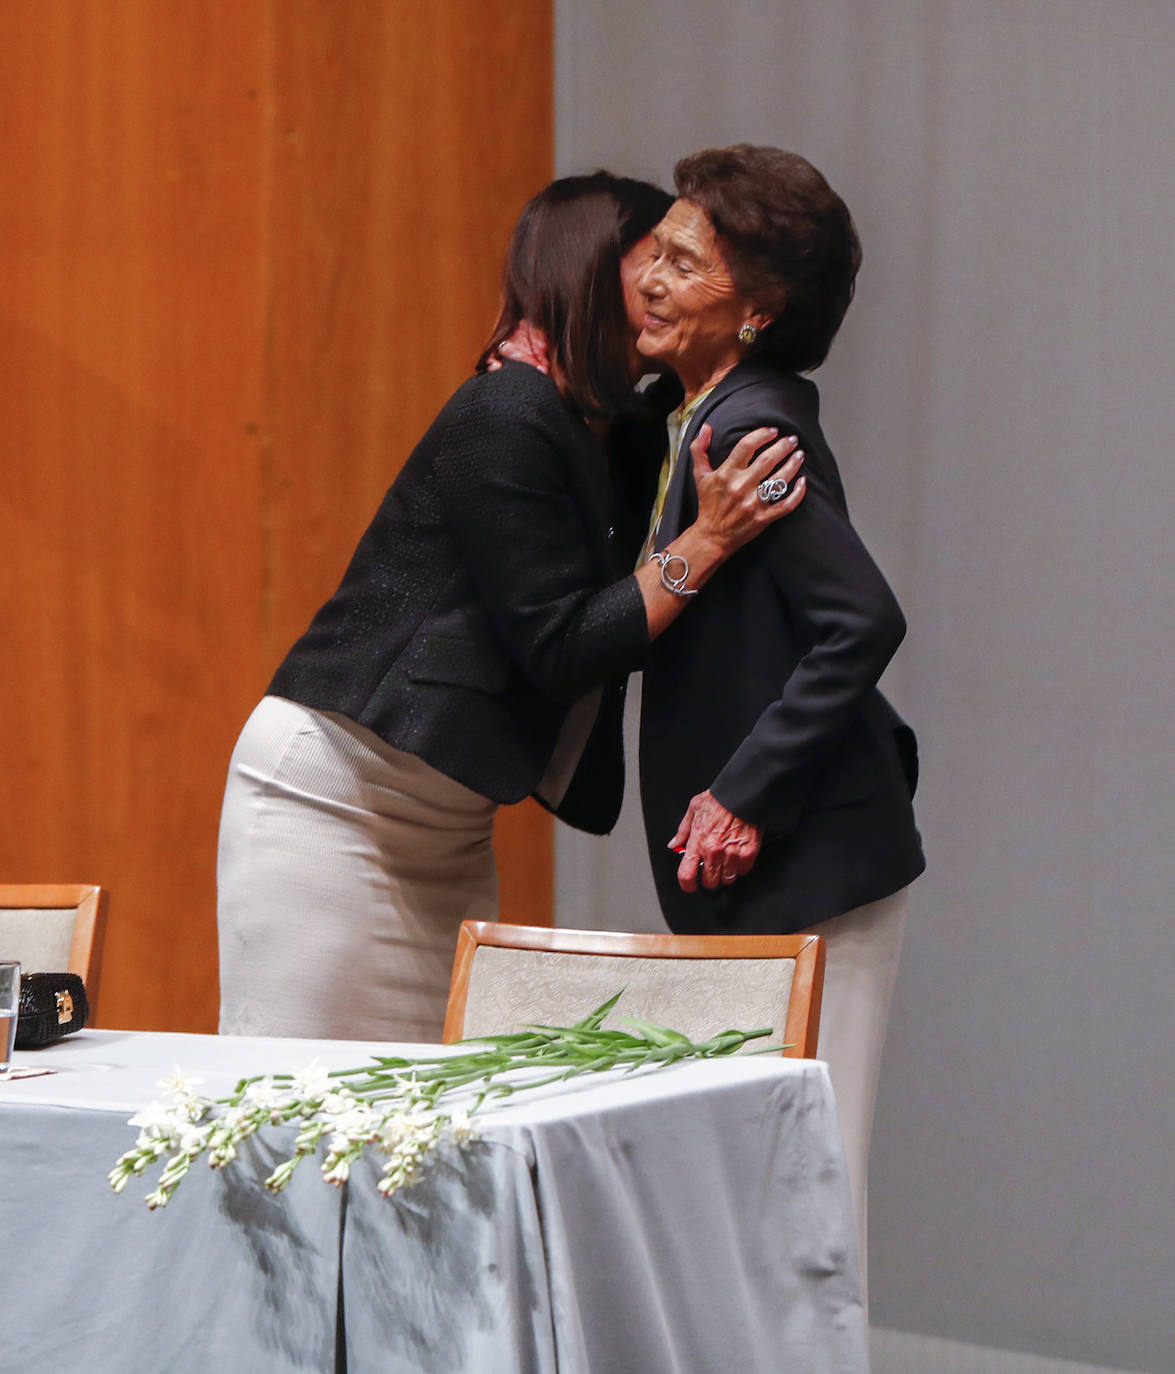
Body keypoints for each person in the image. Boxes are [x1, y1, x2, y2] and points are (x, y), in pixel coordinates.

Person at [216, 172, 806, 1043]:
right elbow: (562, 646)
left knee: (428, 1122)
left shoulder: (614, 426)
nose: (668, 285)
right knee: (294, 1113)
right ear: (595, 268)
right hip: (335, 805)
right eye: (660, 259)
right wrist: (705, 543)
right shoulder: (505, 409)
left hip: (445, 829)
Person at [630, 145, 926, 1279]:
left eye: (683, 263)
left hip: (815, 856)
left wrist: (741, 796)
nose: (649, 280)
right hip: (763, 864)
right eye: (653, 252)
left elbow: (862, 620)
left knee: (804, 1191)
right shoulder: (704, 416)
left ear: (755, 311)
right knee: (754, 1183)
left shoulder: (748, 429)